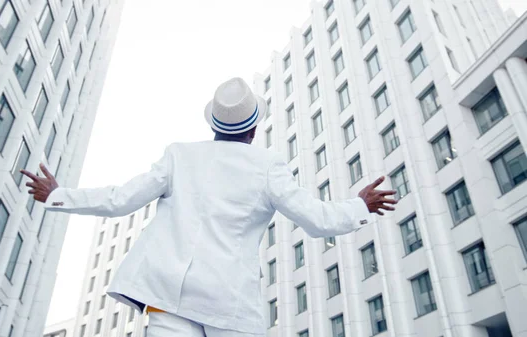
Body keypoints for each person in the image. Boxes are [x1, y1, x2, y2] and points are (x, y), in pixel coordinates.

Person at [21, 77, 397, 337]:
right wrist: (358, 206)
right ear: (253, 129)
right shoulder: (267, 166)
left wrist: (58, 194)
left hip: (168, 296)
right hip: (228, 303)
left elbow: (121, 199)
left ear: (214, 125)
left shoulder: (178, 156)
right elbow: (315, 219)